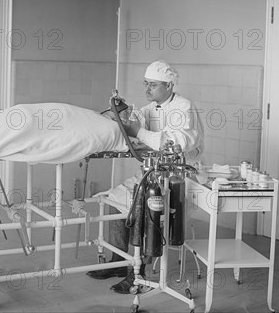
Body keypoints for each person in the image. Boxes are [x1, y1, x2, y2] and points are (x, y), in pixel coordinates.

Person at [87, 60, 205, 294]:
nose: (147, 89)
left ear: (169, 86)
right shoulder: (151, 108)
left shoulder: (184, 107)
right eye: (145, 84)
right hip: (154, 173)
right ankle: (117, 261)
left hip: (180, 177)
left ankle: (139, 274)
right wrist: (121, 113)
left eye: (152, 85)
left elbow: (175, 143)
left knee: (148, 211)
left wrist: (137, 131)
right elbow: (137, 119)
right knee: (115, 198)